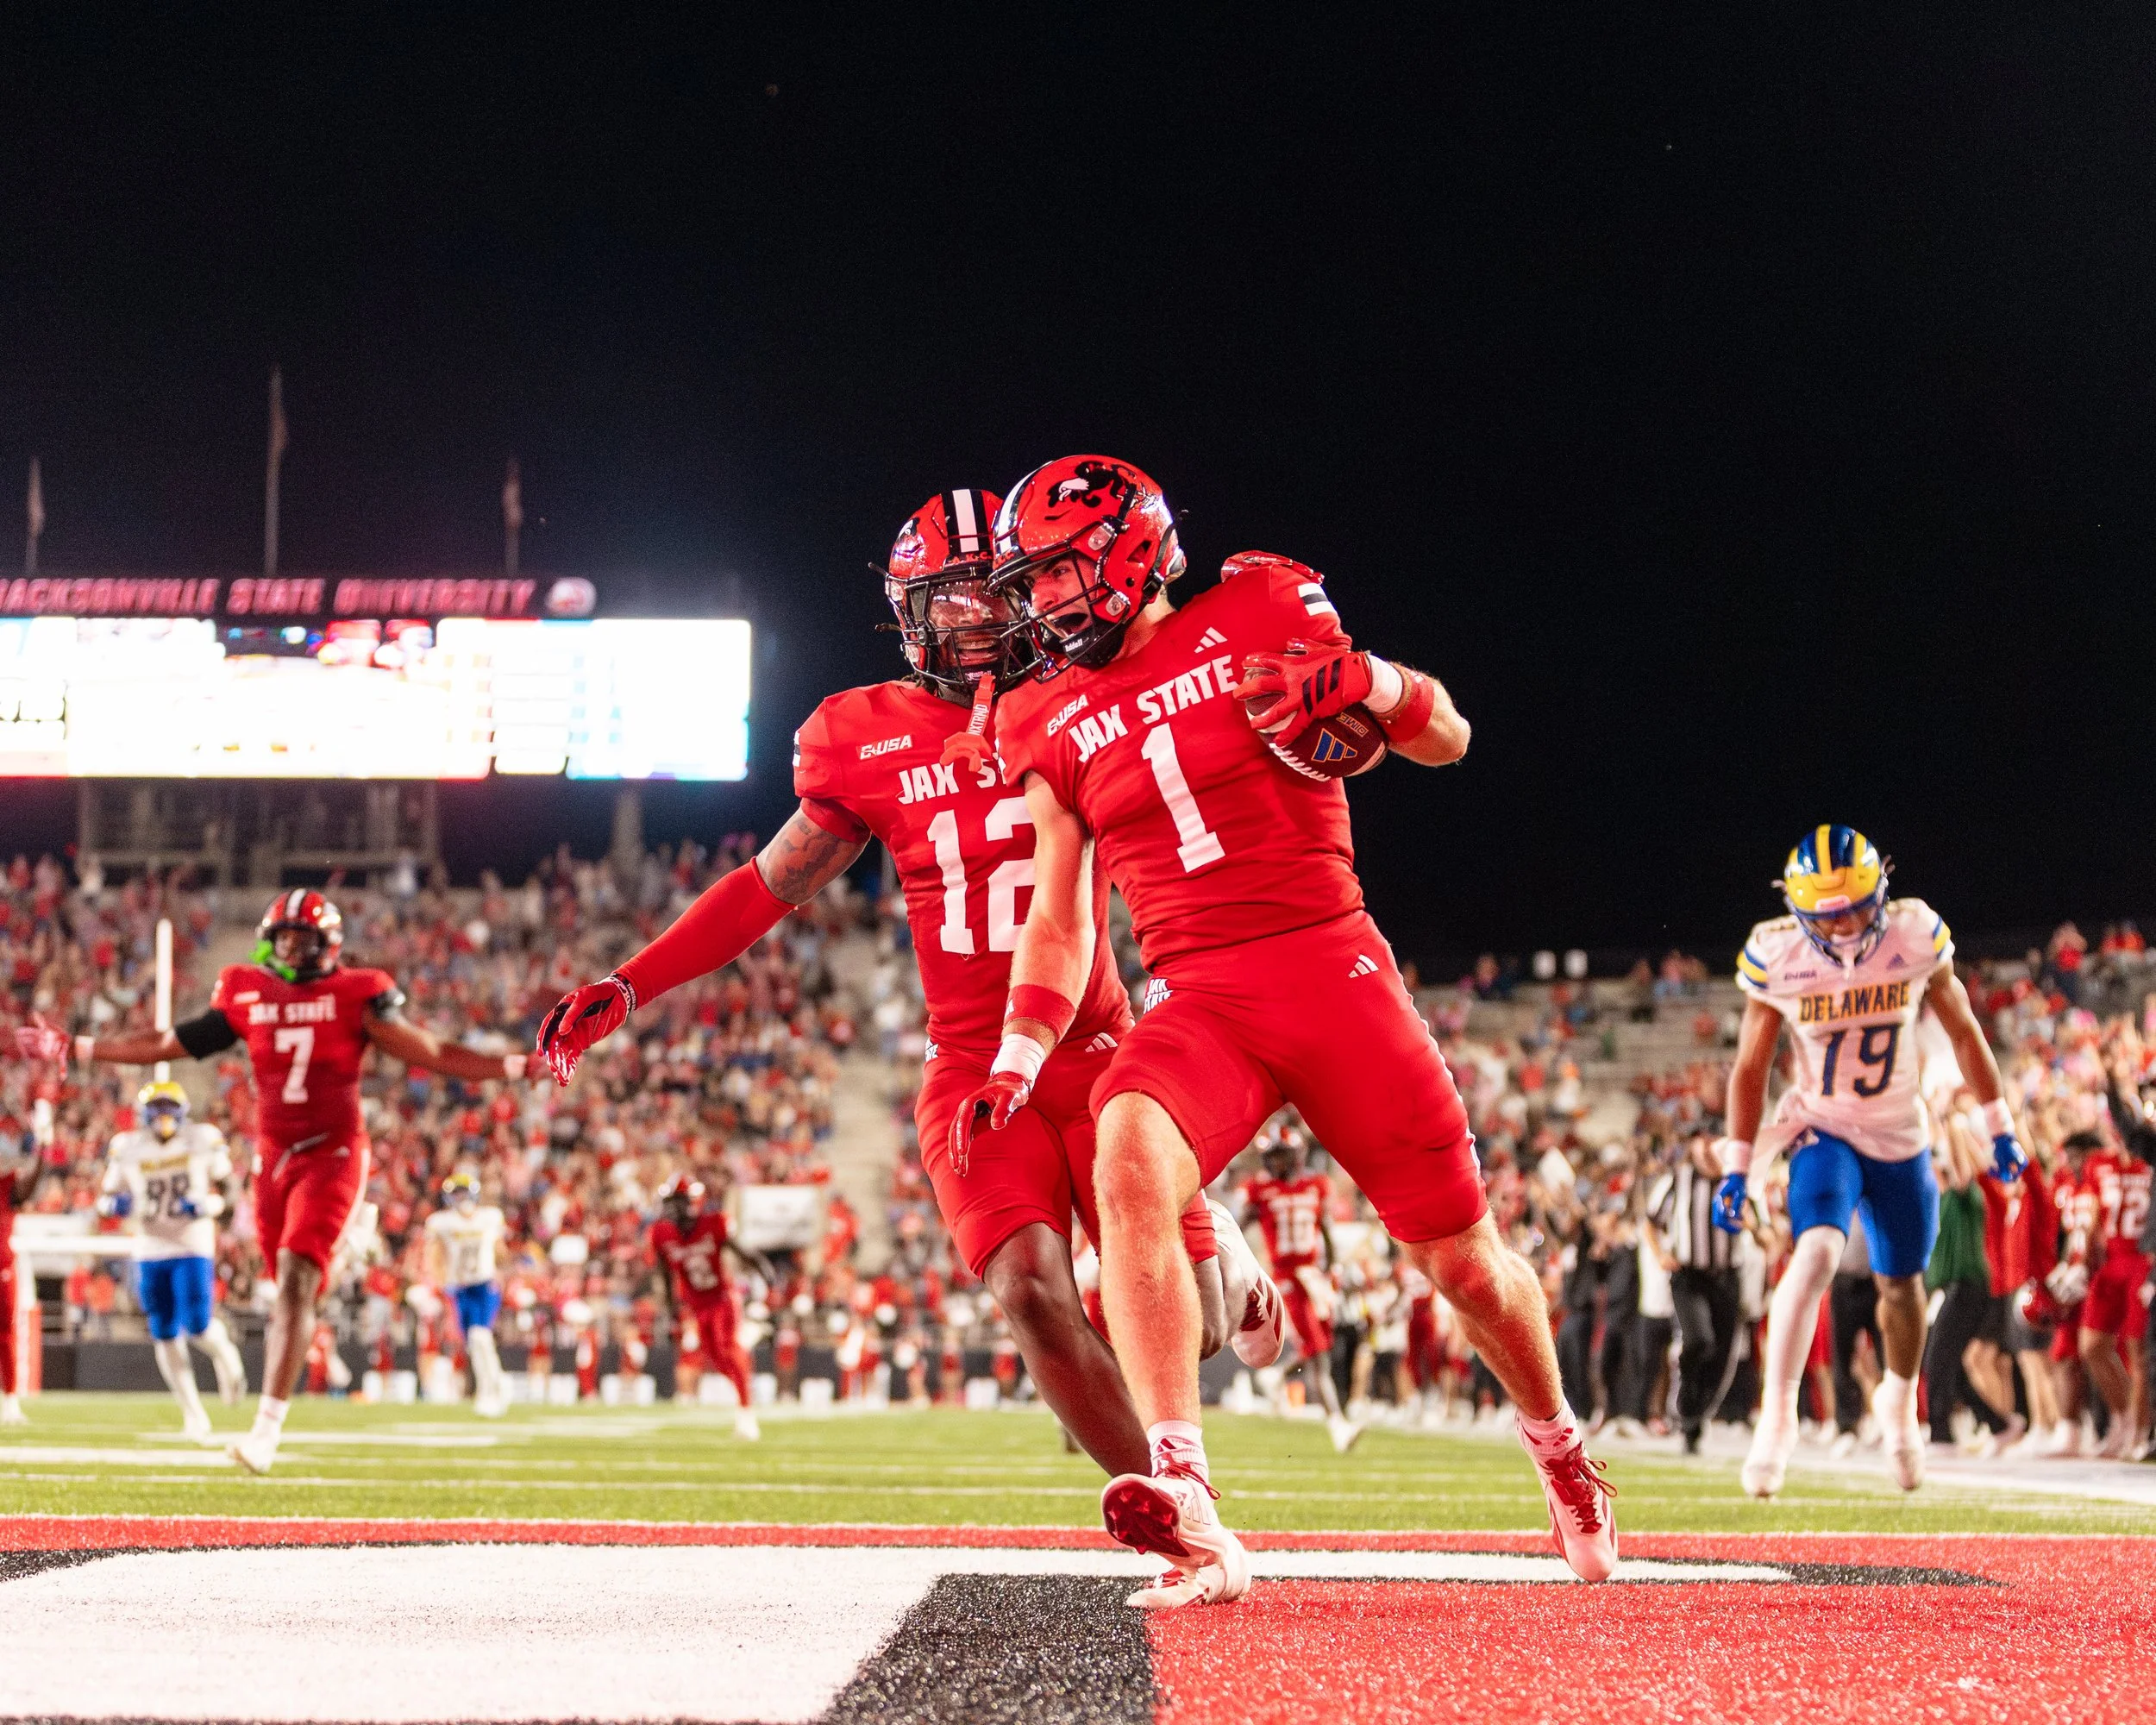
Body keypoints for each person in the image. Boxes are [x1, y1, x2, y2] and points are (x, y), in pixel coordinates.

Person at [977, 455, 1614, 1603]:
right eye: (1032, 584)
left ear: (1128, 552)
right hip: (1200, 997)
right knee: (1128, 1152)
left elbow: (1450, 738)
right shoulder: (1041, 714)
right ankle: (1187, 1494)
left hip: (1331, 963)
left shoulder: (1262, 606)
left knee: (1463, 1266)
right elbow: (1063, 917)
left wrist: (1370, 682)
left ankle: (1562, 1448)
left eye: (1060, 575)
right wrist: (1020, 1048)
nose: (1045, 606)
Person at [535, 492, 1272, 1479]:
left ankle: (1233, 1263)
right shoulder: (862, 735)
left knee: (1201, 1326)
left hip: (1097, 1048)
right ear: (906, 609)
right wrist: (631, 984)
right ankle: (1176, 1511)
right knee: (1025, 1287)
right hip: (972, 1061)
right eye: (947, 599)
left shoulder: (1086, 695)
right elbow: (767, 887)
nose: (971, 618)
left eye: (988, 593)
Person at [13, 888, 531, 1475]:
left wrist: (515, 1066)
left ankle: (265, 1431)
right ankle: (345, 1247)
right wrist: (80, 1048)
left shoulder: (357, 993)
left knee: (295, 1277)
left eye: (303, 937)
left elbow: (432, 1051)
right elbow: (170, 1042)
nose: (291, 946)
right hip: (273, 1157)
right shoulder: (245, 990)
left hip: (332, 1152)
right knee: (288, 1280)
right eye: (283, 935)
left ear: (328, 944)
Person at [1714, 826, 2026, 1497]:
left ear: (1881, 889)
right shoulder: (1780, 953)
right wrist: (1740, 1164)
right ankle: (1778, 1419)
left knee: (1902, 1285)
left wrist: (1999, 1123)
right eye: (1831, 915)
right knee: (1819, 1250)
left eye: (1858, 905)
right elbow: (1750, 1066)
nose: (1850, 925)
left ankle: (1900, 1403)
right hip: (1823, 1126)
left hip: (1901, 1134)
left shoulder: (1913, 935)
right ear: (1800, 912)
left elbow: (1965, 1032)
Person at [98, 1080, 247, 1440]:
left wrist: (207, 1206)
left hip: (192, 1242)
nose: (163, 1115)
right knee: (163, 1332)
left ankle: (224, 1353)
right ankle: (194, 1415)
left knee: (197, 1325)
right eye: (157, 1107)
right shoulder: (127, 1147)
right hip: (150, 1247)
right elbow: (104, 1198)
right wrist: (116, 1206)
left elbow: (232, 1191)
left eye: (169, 1107)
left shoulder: (202, 1139)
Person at [1239, 1126, 1357, 1452]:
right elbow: (1237, 1229)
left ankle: (1275, 1377)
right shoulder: (1260, 1190)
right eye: (1272, 1156)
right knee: (1318, 1354)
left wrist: (1332, 1269)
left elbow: (1327, 1230)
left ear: (1296, 1155)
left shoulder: (1316, 1185)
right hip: (1287, 1276)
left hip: (1313, 1275)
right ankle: (1338, 1425)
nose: (1276, 1163)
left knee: (1320, 1344)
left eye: (1281, 1155)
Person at [649, 1174, 772, 1438]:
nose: (670, 1209)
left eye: (676, 1202)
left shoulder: (714, 1223)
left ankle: (746, 1413)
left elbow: (742, 1251)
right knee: (714, 1357)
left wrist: (764, 1272)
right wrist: (672, 1312)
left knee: (728, 1349)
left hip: (722, 1299)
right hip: (696, 1304)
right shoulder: (662, 1233)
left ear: (691, 1203)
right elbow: (665, 1275)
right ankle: (745, 1388)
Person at [1645, 1136, 1739, 1454]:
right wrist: (1660, 1255)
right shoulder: (1677, 1179)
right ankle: (1686, 1405)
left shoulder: (1737, 1181)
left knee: (1723, 1351)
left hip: (1726, 1277)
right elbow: (1651, 1221)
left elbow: (1763, 1226)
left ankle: (1697, 1416)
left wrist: (1757, 1230)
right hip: (1688, 1276)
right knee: (1700, 1339)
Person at [2068, 1121, 2150, 1458]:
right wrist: (2080, 1260)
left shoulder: (2150, 1162)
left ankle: (2140, 1433)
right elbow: (2090, 1217)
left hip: (2142, 1261)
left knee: (2138, 1349)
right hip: (2110, 1262)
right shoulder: (2098, 1164)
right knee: (2091, 1345)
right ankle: (2123, 1417)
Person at [423, 1173, 509, 1417]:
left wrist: (505, 1270)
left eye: (463, 1192)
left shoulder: (490, 1218)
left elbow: (500, 1251)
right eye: (456, 1193)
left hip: (484, 1284)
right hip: (460, 1288)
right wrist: (437, 1283)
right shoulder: (441, 1222)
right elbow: (435, 1255)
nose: (460, 1198)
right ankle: (494, 1384)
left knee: (480, 1337)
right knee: (474, 1342)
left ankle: (489, 1390)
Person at [0, 1107, 53, 1425]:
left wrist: (44, 1150)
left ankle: (10, 1401)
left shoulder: (6, 1185)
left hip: (2, 1267)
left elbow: (26, 1188)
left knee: (6, 1336)